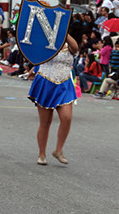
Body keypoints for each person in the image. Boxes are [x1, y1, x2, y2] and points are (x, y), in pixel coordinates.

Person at [28, 35, 79, 165]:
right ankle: (42, 154)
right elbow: (36, 56)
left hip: (64, 84)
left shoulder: (69, 45)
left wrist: (64, 33)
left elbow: (76, 47)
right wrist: (34, 68)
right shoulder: (45, 43)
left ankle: (58, 150)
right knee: (45, 122)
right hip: (46, 82)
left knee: (66, 118)